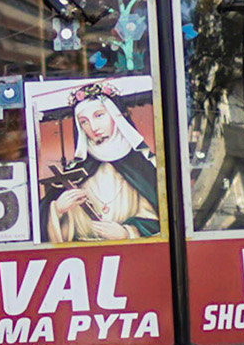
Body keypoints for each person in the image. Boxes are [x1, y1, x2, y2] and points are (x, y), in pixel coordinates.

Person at [41, 83, 161, 242]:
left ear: (115, 116)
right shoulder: (76, 171)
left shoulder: (142, 166)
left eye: (99, 116)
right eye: (84, 122)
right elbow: (45, 231)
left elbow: (157, 218)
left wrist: (127, 233)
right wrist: (57, 211)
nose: (93, 127)